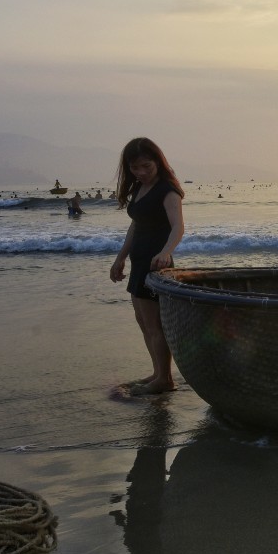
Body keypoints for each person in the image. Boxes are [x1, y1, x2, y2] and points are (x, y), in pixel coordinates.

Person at [109, 137, 185, 397]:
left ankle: (165, 379)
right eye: (134, 168)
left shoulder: (168, 190)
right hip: (139, 262)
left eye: (146, 166)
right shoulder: (139, 190)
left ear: (158, 163)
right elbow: (136, 225)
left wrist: (166, 252)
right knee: (143, 321)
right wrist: (120, 257)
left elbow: (178, 226)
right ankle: (157, 372)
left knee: (156, 325)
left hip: (157, 264)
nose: (140, 173)